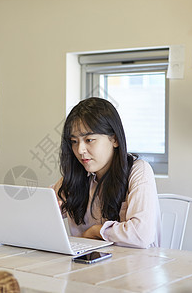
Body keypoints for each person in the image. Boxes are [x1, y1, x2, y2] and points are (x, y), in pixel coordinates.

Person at [52, 97, 161, 248]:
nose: (80, 150)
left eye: (89, 140)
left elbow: (141, 235)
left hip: (135, 265)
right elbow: (41, 207)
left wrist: (97, 231)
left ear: (114, 139)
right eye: (74, 141)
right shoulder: (77, 176)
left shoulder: (138, 170)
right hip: (87, 267)